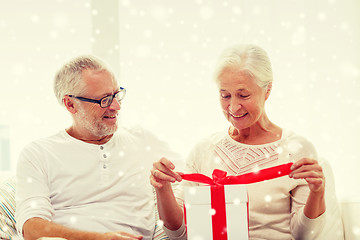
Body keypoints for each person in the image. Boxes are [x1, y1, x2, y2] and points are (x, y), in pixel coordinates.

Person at [150, 44, 343, 239]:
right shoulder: (204, 150)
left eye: (243, 95)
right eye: (225, 95)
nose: (233, 107)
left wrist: (317, 192)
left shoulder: (296, 149)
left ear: (267, 90)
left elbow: (304, 235)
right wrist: (163, 189)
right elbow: (179, 235)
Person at [15, 55, 180, 240]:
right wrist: (99, 238)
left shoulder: (143, 140)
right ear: (70, 104)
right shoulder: (38, 153)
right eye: (104, 100)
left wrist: (164, 186)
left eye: (116, 95)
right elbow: (31, 228)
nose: (116, 106)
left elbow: (192, 188)